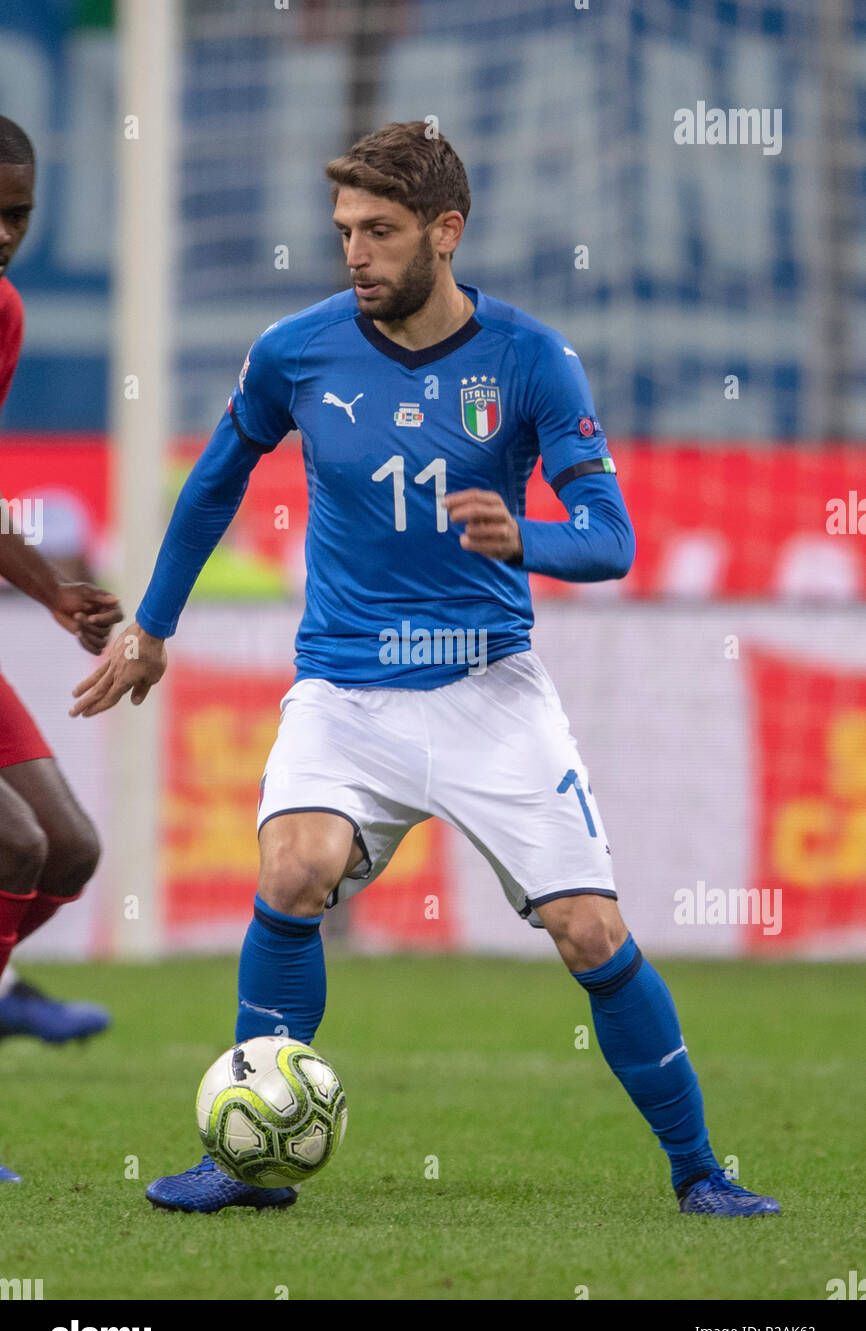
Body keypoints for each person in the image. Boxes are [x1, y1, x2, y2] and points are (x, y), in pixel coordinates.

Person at [72, 121, 779, 1218]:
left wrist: (523, 537)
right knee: (290, 870)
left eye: (381, 231)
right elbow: (215, 482)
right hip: (345, 693)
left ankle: (698, 1172)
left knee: (589, 931)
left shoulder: (531, 360)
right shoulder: (295, 351)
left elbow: (610, 536)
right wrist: (153, 626)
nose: (354, 253)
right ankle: (245, 1158)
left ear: (445, 234)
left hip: (490, 693)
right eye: (345, 230)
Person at [0, 115, 122, 1183]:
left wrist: (53, 596)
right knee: (13, 846)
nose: (4, 234)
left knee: (69, 849)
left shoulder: (1, 313)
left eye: (21, 216)